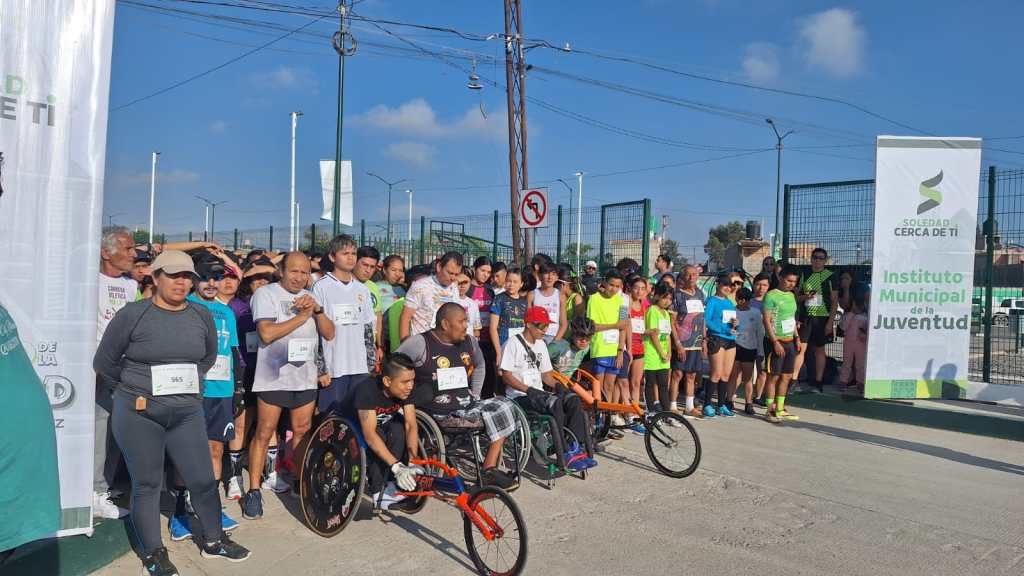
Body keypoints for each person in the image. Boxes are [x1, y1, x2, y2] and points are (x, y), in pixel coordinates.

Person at [93, 251, 250, 575]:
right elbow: (105, 363)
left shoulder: (200, 315)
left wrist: (183, 387)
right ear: (155, 276)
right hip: (139, 413)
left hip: (186, 412)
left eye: (187, 276)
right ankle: (154, 552)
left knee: (203, 479)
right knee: (148, 484)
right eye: (173, 275)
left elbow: (206, 358)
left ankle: (214, 540)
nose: (181, 282)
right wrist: (137, 389)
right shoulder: (133, 314)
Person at [244, 252, 334, 519]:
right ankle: (254, 491)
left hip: (305, 378)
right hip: (273, 376)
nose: (300, 277)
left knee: (302, 431)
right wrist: (301, 316)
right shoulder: (266, 294)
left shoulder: (310, 297)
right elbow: (266, 333)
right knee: (264, 432)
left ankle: (299, 481)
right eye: (294, 271)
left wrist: (316, 310)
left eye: (305, 272)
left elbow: (329, 333)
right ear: (281, 271)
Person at [396, 303, 519, 490]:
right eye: (461, 321)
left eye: (466, 321)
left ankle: (489, 468)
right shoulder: (420, 343)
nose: (466, 325)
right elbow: (395, 368)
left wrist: (475, 393)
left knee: (506, 405)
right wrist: (406, 396)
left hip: (466, 405)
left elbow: (479, 364)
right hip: (438, 413)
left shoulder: (469, 342)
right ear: (445, 324)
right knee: (496, 412)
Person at [170, 257, 241, 538]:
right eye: (206, 277)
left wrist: (238, 390)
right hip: (190, 391)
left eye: (217, 277)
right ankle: (179, 511)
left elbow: (234, 353)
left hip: (220, 391)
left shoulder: (227, 312)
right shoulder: (184, 307)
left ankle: (210, 508)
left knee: (215, 450)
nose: (213, 283)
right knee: (184, 451)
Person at [501, 307, 596, 471]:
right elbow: (506, 376)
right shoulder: (512, 344)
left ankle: (576, 446)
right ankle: (565, 452)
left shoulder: (541, 345)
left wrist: (559, 386)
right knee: (554, 403)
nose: (545, 330)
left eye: (546, 326)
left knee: (572, 400)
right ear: (529, 324)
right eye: (542, 326)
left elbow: (546, 375)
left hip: (539, 393)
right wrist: (528, 390)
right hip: (519, 395)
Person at [341, 354, 423, 511]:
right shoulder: (367, 390)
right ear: (387, 381)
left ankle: (391, 484)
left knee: (398, 429)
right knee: (378, 434)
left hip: (379, 423)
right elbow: (370, 435)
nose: (410, 386)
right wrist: (397, 467)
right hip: (349, 426)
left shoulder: (405, 390)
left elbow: (411, 425)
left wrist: (413, 460)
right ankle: (378, 491)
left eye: (412, 380)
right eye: (405, 382)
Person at [95, 226, 137, 519]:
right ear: (106, 252)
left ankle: (104, 486)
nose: (134, 254)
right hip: (94, 369)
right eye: (128, 248)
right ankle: (94, 492)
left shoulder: (131, 287)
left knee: (115, 430)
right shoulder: (87, 282)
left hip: (124, 372)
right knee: (98, 429)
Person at [313, 235, 375, 415]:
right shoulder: (321, 287)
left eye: (354, 253)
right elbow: (316, 331)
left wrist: (370, 364)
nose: (350, 258)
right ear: (332, 257)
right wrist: (320, 368)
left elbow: (368, 329)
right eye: (345, 253)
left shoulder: (362, 290)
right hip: (334, 368)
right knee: (331, 419)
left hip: (359, 366)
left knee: (357, 419)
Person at [586, 269, 629, 422]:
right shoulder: (594, 299)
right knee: (599, 388)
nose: (614, 289)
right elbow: (592, 326)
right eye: (611, 285)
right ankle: (597, 419)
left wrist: (620, 350)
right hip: (600, 349)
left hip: (615, 349)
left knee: (610, 386)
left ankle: (607, 421)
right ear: (604, 282)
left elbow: (623, 326)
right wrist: (614, 325)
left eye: (618, 286)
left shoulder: (622, 301)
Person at [794, 247, 838, 393]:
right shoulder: (804, 274)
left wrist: (830, 323)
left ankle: (818, 383)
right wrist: (806, 297)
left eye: (821, 258)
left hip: (822, 319)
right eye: (815, 257)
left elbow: (834, 301)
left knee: (820, 350)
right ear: (811, 259)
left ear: (825, 260)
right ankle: (794, 381)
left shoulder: (830, 276)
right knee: (801, 349)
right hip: (806, 318)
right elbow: (796, 297)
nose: (817, 260)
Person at [762, 267, 803, 423]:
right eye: (789, 280)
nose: (791, 284)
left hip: (789, 341)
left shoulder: (792, 296)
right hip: (775, 341)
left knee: (786, 376)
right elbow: (766, 321)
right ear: (780, 278)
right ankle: (769, 410)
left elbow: (791, 319)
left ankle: (780, 408)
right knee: (773, 376)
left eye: (794, 281)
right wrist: (775, 342)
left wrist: (797, 337)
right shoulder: (771, 296)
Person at [669, 265, 706, 419]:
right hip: (682, 342)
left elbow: (702, 319)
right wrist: (677, 343)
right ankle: (672, 406)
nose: (691, 278)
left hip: (696, 342)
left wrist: (703, 339)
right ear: (682, 277)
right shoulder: (677, 296)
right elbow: (672, 321)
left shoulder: (700, 294)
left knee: (691, 375)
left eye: (694, 274)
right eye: (688, 275)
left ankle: (689, 407)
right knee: (677, 374)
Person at [400, 251, 462, 341]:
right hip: (423, 344)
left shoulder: (454, 288)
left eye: (456, 274)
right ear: (439, 267)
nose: (453, 278)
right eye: (450, 273)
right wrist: (405, 346)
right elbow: (405, 317)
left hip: (446, 345)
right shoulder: (420, 286)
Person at [703, 273, 739, 418]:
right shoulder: (712, 300)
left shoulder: (730, 303)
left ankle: (721, 404)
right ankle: (707, 404)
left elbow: (732, 321)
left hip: (730, 339)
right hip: (717, 339)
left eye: (730, 286)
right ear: (718, 285)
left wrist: (737, 325)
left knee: (726, 374)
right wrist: (722, 329)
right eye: (725, 285)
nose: (727, 288)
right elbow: (706, 320)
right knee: (716, 373)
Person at [729, 288, 764, 415]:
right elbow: (728, 330)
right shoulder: (731, 311)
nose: (742, 302)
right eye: (739, 299)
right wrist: (734, 330)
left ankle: (748, 403)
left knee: (748, 378)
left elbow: (760, 333)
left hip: (750, 349)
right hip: (735, 346)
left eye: (745, 300)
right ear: (737, 298)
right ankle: (729, 400)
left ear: (749, 300)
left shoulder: (755, 312)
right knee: (733, 376)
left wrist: (760, 352)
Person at [489, 267, 529, 377]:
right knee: (502, 378)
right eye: (508, 281)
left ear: (521, 284)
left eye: (515, 282)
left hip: (518, 348)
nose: (511, 284)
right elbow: (493, 328)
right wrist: (498, 352)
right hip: (503, 346)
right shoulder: (499, 299)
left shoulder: (524, 302)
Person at [468, 257, 497, 398]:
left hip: (488, 339)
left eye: (489, 272)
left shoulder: (490, 290)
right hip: (471, 339)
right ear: (474, 269)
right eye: (482, 270)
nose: (486, 274)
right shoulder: (468, 288)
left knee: (488, 372)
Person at [643, 284, 674, 413]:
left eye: (670, 299)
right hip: (652, 353)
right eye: (664, 298)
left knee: (663, 385)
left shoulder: (666, 313)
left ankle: (666, 413)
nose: (667, 301)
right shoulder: (652, 310)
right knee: (650, 384)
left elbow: (667, 335)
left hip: (664, 356)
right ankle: (651, 412)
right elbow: (654, 335)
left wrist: (669, 352)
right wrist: (661, 353)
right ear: (657, 296)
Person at [625, 275, 649, 429]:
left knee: (636, 382)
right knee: (623, 382)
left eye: (642, 288)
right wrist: (627, 348)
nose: (639, 291)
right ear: (630, 289)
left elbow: (643, 328)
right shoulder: (626, 303)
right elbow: (625, 325)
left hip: (640, 347)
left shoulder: (644, 306)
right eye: (636, 288)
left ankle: (635, 413)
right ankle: (626, 413)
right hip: (628, 348)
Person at [355, 245, 384, 362]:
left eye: (372, 267)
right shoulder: (346, 285)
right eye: (365, 265)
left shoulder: (373, 287)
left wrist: (379, 346)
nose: (368, 270)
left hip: (369, 345)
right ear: (355, 262)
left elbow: (378, 317)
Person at [839, 284, 869, 394]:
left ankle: (860, 382)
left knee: (860, 363)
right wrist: (851, 314)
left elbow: (868, 330)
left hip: (861, 344)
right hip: (848, 344)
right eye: (855, 305)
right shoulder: (848, 315)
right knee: (847, 362)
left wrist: (864, 334)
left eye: (859, 306)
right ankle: (843, 381)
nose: (858, 308)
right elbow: (843, 327)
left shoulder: (866, 317)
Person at [528, 261, 567, 343]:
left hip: (553, 337)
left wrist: (555, 342)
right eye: (546, 273)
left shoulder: (561, 296)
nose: (550, 277)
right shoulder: (532, 295)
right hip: (535, 337)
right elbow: (528, 320)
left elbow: (563, 324)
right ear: (539, 275)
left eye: (553, 274)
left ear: (557, 277)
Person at [750, 274, 772, 405]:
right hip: (746, 340)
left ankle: (758, 397)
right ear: (753, 285)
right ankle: (728, 396)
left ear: (768, 287)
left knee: (762, 370)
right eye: (758, 284)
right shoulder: (748, 301)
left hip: (763, 341)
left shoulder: (770, 302)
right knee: (742, 370)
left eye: (764, 285)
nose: (761, 288)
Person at [454, 267, 482, 339]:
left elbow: (476, 330)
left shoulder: (473, 304)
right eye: (459, 282)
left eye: (466, 282)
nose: (462, 286)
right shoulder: (450, 301)